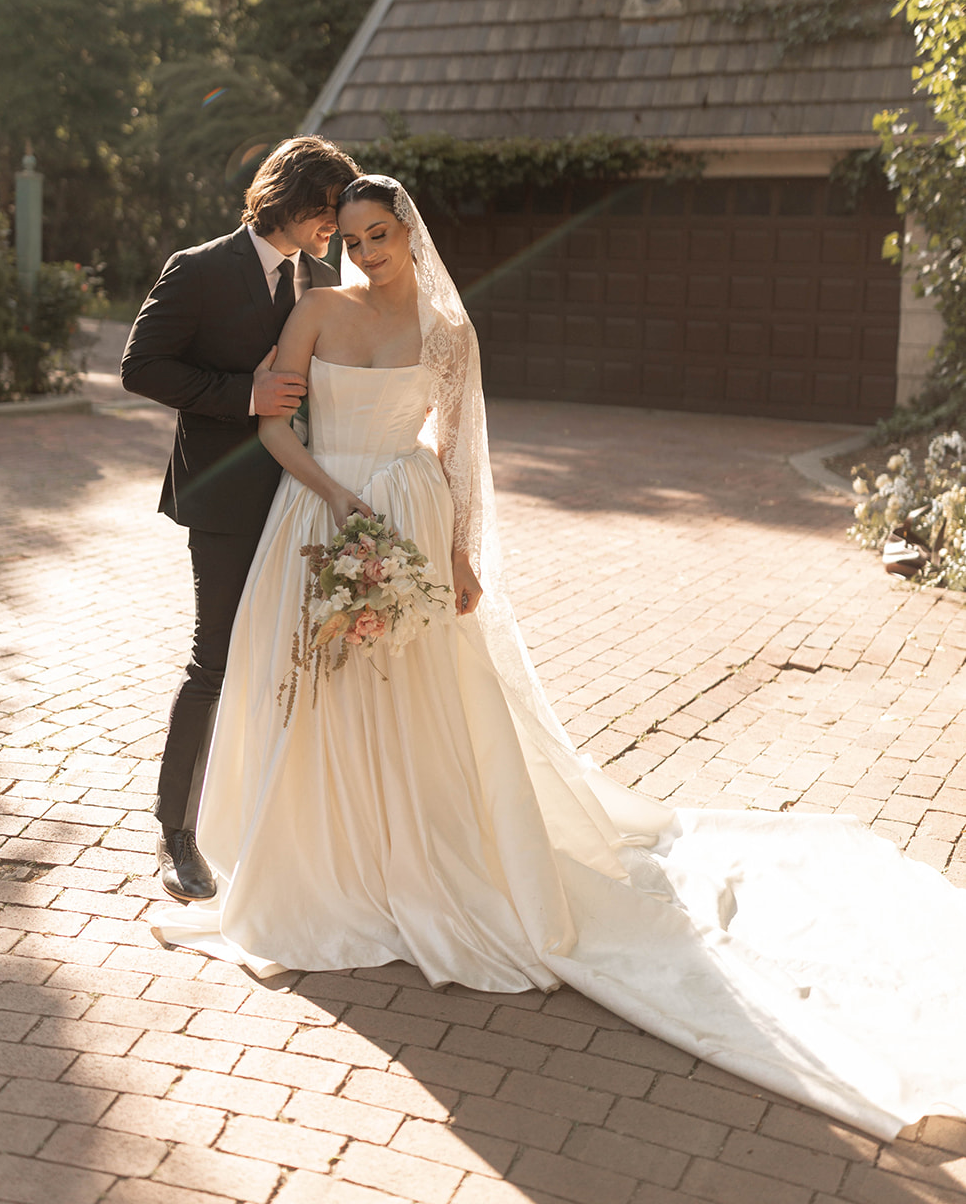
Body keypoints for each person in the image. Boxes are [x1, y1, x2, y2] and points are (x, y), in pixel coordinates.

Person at [155, 175, 966, 1140]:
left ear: (411, 235)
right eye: (355, 239)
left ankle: (410, 858)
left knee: (413, 693)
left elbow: (456, 455)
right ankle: (326, 866)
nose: (366, 253)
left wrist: (453, 552)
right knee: (320, 689)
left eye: (381, 236)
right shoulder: (316, 308)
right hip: (318, 512)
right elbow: (274, 426)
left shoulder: (452, 339)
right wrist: (334, 497)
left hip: (408, 517)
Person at [120, 135, 359, 900]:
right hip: (224, 497)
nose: (335, 228)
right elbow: (140, 366)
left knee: (291, 655)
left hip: (304, 496)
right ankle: (177, 834)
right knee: (214, 662)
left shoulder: (325, 278)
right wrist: (241, 395)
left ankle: (269, 820)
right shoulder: (199, 269)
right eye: (327, 211)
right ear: (290, 199)